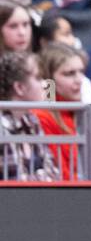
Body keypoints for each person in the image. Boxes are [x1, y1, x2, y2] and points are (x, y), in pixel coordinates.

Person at [0, 50, 57, 181]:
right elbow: (15, 182)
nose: (45, 84)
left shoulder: (31, 120)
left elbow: (53, 173)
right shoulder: (1, 127)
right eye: (38, 78)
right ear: (19, 87)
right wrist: (40, 176)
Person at [34, 43, 86, 179]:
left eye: (82, 72)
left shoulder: (81, 114)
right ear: (48, 80)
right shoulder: (42, 116)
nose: (79, 80)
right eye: (69, 74)